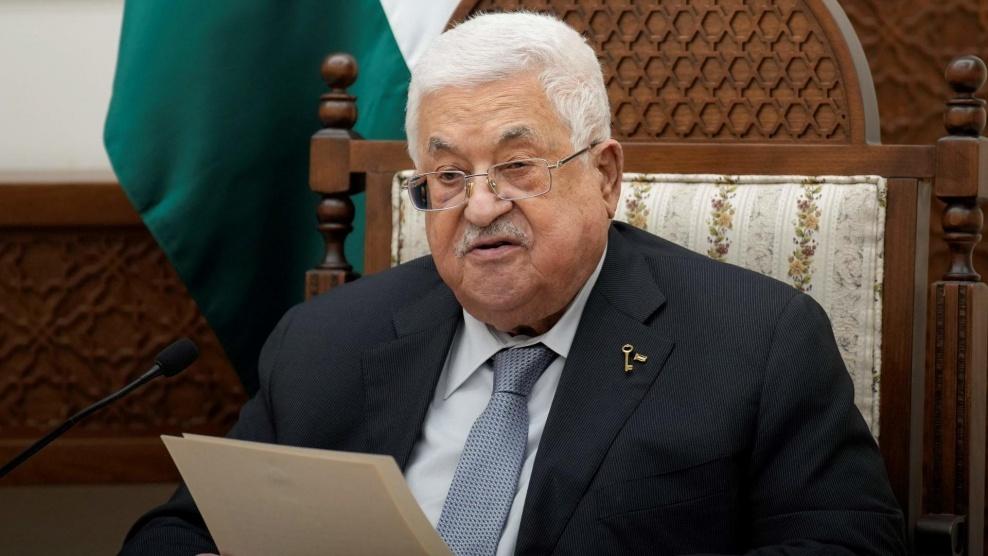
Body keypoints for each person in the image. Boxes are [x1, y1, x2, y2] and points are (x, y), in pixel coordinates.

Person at [121, 11, 907, 556]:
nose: (481, 207)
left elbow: (851, 544)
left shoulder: (757, 342)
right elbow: (175, 533)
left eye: (518, 166)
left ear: (605, 176)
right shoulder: (324, 342)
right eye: (448, 176)